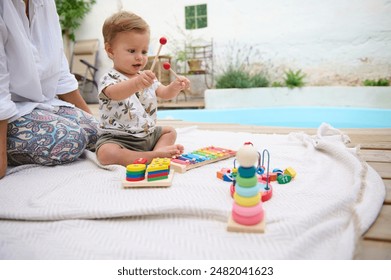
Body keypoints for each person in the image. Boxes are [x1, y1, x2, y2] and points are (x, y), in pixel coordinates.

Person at [0, 0, 98, 179]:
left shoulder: (45, 3)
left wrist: (93, 123)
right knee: (71, 140)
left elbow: (60, 72)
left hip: (39, 104)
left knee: (96, 133)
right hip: (8, 112)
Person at [96, 11, 190, 166]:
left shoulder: (145, 77)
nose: (140, 57)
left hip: (148, 135)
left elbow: (165, 93)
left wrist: (175, 86)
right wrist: (137, 83)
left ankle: (154, 153)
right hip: (119, 139)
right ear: (111, 50)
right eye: (132, 51)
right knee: (106, 153)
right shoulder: (109, 78)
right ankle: (152, 156)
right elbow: (115, 93)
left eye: (144, 51)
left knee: (169, 131)